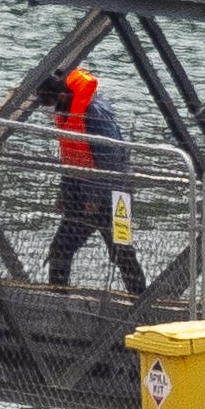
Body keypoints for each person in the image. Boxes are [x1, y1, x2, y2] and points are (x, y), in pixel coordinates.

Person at [36, 68, 146, 295]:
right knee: (61, 249)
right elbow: (71, 158)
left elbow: (110, 159)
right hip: (80, 193)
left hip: (115, 195)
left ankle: (141, 301)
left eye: (48, 102)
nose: (48, 108)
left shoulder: (93, 112)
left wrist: (95, 197)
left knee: (121, 252)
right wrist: (63, 194)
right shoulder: (66, 114)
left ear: (62, 96)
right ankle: (58, 300)